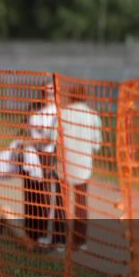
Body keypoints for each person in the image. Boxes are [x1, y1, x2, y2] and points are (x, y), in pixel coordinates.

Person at [60, 85, 102, 251]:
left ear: (70, 96)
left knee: (62, 202)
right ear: (85, 96)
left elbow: (55, 138)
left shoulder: (62, 114)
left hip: (64, 163)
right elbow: (96, 144)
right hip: (83, 165)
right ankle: (80, 240)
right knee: (81, 202)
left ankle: (61, 238)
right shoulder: (92, 116)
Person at [28, 81, 66, 247]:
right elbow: (26, 131)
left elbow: (52, 138)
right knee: (39, 199)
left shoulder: (58, 113)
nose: (49, 95)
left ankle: (57, 238)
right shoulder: (35, 110)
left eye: (52, 92)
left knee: (53, 201)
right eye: (46, 91)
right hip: (35, 158)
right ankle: (41, 235)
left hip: (51, 157)